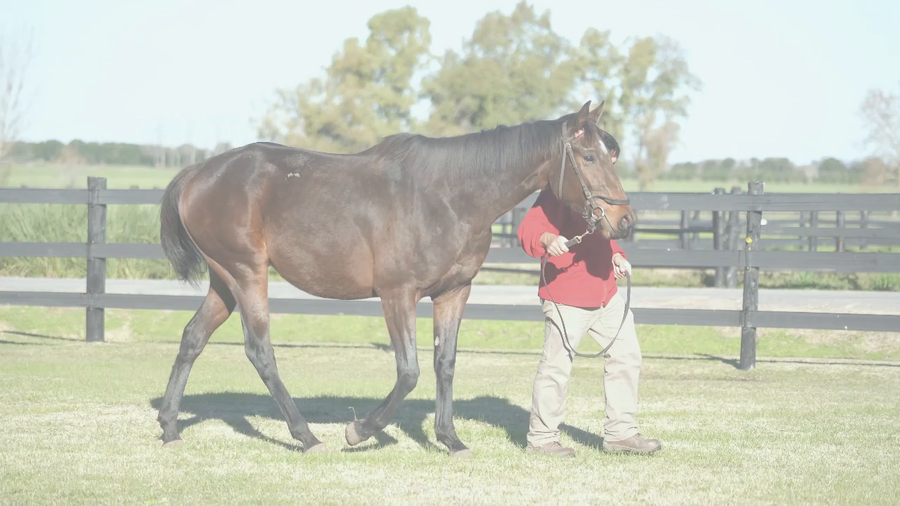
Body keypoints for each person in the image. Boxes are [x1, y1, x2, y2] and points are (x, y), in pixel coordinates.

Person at [517, 134, 660, 457]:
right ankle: (541, 439)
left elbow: (604, 235)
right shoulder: (558, 193)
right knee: (556, 367)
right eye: (606, 159)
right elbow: (526, 230)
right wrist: (547, 238)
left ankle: (621, 434)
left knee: (627, 355)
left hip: (606, 294)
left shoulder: (600, 192)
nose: (609, 167)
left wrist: (617, 255)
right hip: (566, 296)